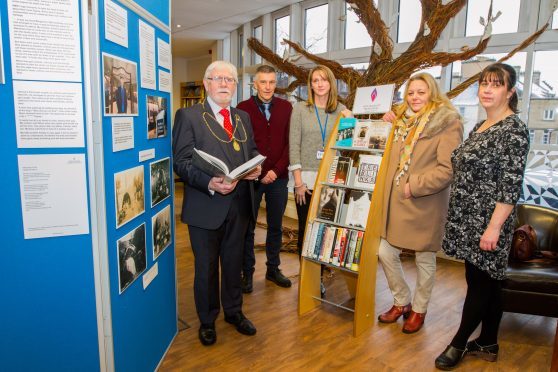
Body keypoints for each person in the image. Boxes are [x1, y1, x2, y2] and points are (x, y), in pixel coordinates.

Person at [435, 63, 530, 370]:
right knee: (488, 283)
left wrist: (493, 228)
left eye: (496, 85)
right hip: (466, 218)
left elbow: (509, 186)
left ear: (510, 92)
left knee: (479, 283)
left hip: (488, 222)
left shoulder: (514, 130)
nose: (488, 90)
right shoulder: (481, 126)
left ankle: (459, 343)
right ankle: (488, 341)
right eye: (484, 84)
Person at [172, 60, 262, 346]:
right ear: (206, 83)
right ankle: (207, 320)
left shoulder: (242, 118)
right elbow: (181, 163)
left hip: (240, 205)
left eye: (230, 79)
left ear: (235, 86)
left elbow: (252, 151)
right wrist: (210, 182)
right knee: (207, 268)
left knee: (234, 264)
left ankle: (234, 312)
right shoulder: (188, 116)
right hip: (206, 205)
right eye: (218, 78)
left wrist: (255, 167)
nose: (225, 84)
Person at [377, 73, 463, 334]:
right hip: (395, 202)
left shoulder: (448, 123)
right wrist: (386, 125)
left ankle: (419, 309)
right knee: (384, 251)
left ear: (432, 93)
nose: (415, 97)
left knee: (424, 258)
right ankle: (402, 301)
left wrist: (413, 186)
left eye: (421, 92)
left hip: (425, 202)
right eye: (411, 92)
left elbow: (448, 170)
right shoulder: (401, 120)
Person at [237, 65, 292, 292]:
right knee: (248, 228)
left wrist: (276, 171)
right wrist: (257, 169)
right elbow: (240, 145)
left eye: (271, 82)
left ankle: (273, 269)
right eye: (263, 82)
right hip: (251, 177)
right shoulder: (242, 108)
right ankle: (247, 273)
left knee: (275, 226)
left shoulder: (287, 108)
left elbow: (291, 143)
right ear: (255, 84)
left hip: (278, 177)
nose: (268, 87)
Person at [288, 65, 351, 255]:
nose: (320, 84)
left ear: (331, 83)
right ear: (311, 85)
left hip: (332, 179)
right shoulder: (300, 109)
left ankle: (320, 279)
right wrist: (298, 182)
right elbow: (294, 145)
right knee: (306, 231)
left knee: (325, 232)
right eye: (315, 80)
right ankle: (307, 283)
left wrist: (350, 122)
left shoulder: (341, 110)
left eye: (323, 79)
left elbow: (346, 148)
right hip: (305, 181)